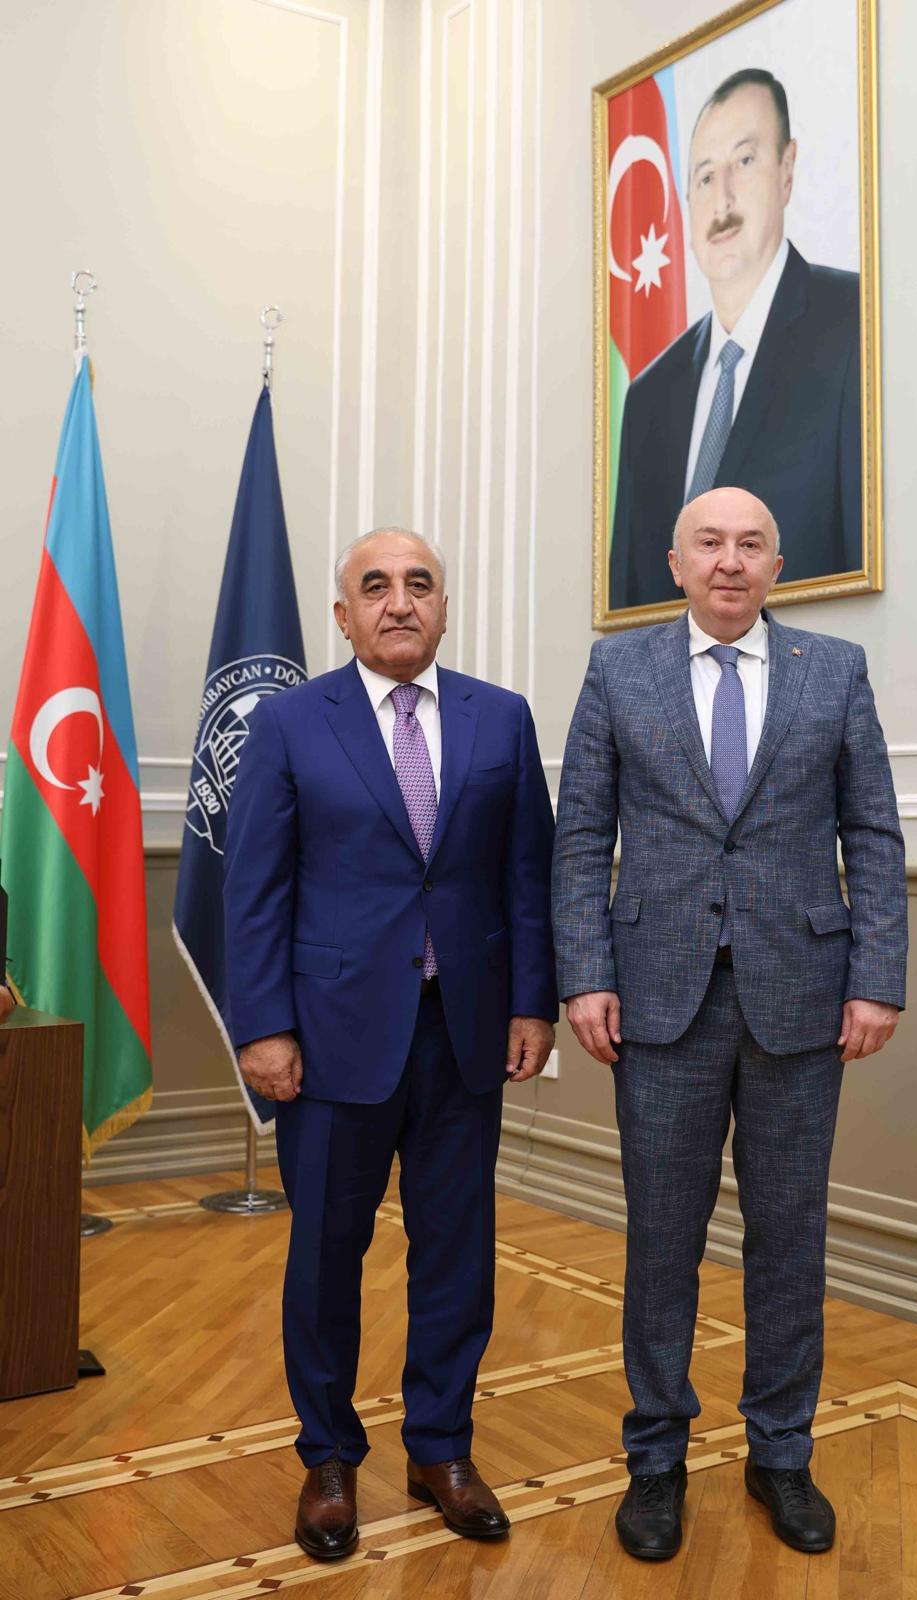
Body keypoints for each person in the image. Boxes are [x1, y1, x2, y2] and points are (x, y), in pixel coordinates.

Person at [553, 486, 906, 1560]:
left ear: (775, 566)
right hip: (657, 999)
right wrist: (584, 974)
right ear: (675, 563)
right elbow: (581, 835)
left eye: (751, 544)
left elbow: (872, 833)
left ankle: (781, 1452)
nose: (729, 560)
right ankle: (656, 1458)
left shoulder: (833, 671)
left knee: (789, 1237)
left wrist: (877, 978)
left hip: (803, 997)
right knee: (662, 1239)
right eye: (709, 542)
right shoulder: (618, 670)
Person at [224, 528, 557, 1560]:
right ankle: (328, 1455)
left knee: (457, 1252)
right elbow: (254, 888)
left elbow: (526, 877)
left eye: (419, 584)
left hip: (465, 1032)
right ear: (344, 615)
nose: (399, 601)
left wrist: (533, 1004)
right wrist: (262, 1027)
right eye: (375, 586)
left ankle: (440, 1448)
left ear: (444, 606)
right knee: (327, 1255)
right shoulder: (290, 722)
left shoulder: (501, 718)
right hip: (328, 1042)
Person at [610, 68, 862, 612]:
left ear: (787, 169)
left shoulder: (853, 324)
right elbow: (631, 604)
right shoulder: (648, 396)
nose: (721, 199)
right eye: (704, 177)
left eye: (744, 161)